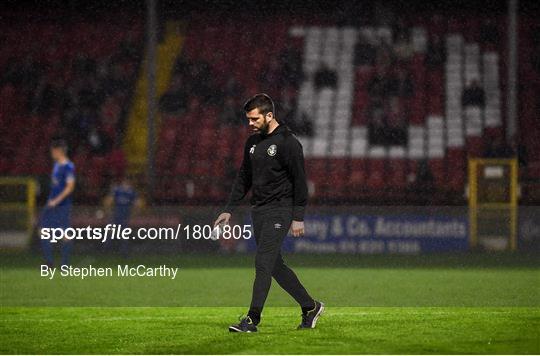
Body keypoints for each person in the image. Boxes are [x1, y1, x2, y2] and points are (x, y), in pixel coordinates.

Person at [214, 94, 323, 333]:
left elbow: (300, 181)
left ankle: (252, 319)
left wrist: (298, 216)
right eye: (248, 119)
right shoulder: (252, 143)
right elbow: (244, 178)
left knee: (262, 262)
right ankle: (310, 306)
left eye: (254, 119)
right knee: (274, 265)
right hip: (259, 211)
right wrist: (229, 210)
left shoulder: (288, 142)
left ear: (269, 115)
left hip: (281, 210)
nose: (250, 123)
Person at [40, 139, 76, 267]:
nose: (52, 154)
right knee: (44, 230)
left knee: (64, 233)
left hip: (62, 205)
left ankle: (64, 264)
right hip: (52, 204)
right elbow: (56, 186)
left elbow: (70, 187)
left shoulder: (68, 166)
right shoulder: (56, 165)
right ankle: (49, 262)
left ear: (58, 151)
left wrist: (57, 200)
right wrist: (51, 199)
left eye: (53, 151)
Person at [104, 176, 141, 256]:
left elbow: (138, 204)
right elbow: (108, 201)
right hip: (117, 215)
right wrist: (109, 211)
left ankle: (122, 251)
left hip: (124, 216)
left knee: (123, 234)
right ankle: (108, 249)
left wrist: (134, 213)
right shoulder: (118, 190)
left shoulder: (131, 192)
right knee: (111, 232)